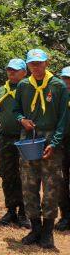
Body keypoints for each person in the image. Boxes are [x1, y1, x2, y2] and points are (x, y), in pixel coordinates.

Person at [14, 49, 68, 249]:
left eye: (39, 63)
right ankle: (35, 228)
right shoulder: (23, 85)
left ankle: (47, 232)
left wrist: (54, 143)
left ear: (46, 63)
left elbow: (64, 119)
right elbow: (16, 110)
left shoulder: (58, 85)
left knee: (52, 186)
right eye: (32, 64)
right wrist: (22, 120)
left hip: (51, 138)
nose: (35, 67)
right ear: (27, 65)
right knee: (29, 185)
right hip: (29, 138)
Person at [0, 59, 29, 228]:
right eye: (9, 70)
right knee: (7, 175)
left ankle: (24, 212)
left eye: (15, 70)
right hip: (5, 138)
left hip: (25, 137)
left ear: (24, 72)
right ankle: (11, 210)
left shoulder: (29, 89)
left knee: (26, 175)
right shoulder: (0, 91)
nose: (11, 73)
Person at [57, 67, 70, 232]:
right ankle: (65, 215)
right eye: (64, 79)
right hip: (61, 142)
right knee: (61, 181)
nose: (67, 82)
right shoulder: (56, 98)